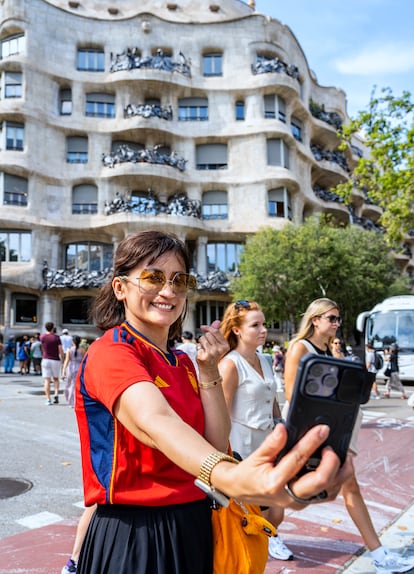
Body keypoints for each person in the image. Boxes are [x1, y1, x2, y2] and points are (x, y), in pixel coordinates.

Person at [73, 230, 352, 574]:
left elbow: (218, 442)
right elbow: (155, 422)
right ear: (120, 288)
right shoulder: (111, 351)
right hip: (136, 536)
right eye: (153, 277)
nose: (168, 290)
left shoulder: (186, 361)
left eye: (179, 280)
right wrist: (231, 478)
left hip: (197, 525)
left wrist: (208, 371)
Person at [283, 298, 414, 574]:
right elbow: (291, 394)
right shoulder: (300, 348)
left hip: (336, 427)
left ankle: (379, 554)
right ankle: (379, 555)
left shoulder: (330, 350)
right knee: (301, 491)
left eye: (338, 319)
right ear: (315, 319)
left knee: (328, 489)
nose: (337, 324)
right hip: (314, 431)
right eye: (331, 318)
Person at [219, 299, 293, 561]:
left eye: (264, 324)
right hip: (242, 447)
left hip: (268, 443)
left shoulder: (264, 359)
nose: (263, 329)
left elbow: (271, 395)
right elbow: (221, 413)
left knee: (277, 506)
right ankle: (257, 548)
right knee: (254, 508)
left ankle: (268, 537)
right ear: (237, 330)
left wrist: (281, 425)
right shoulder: (230, 364)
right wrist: (225, 457)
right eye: (255, 325)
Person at [40, 321, 64, 405]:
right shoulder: (57, 338)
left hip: (46, 359)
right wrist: (63, 358)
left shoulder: (42, 337)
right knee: (56, 379)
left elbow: (42, 347)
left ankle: (48, 399)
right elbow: (60, 350)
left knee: (47, 380)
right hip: (55, 359)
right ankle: (56, 394)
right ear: (53, 328)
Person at [62, 335, 86, 407]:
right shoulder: (82, 350)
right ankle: (74, 400)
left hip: (71, 367)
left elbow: (66, 360)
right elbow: (84, 360)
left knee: (69, 384)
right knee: (76, 385)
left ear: (72, 341)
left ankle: (70, 400)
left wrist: (63, 370)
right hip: (79, 368)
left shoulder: (69, 350)